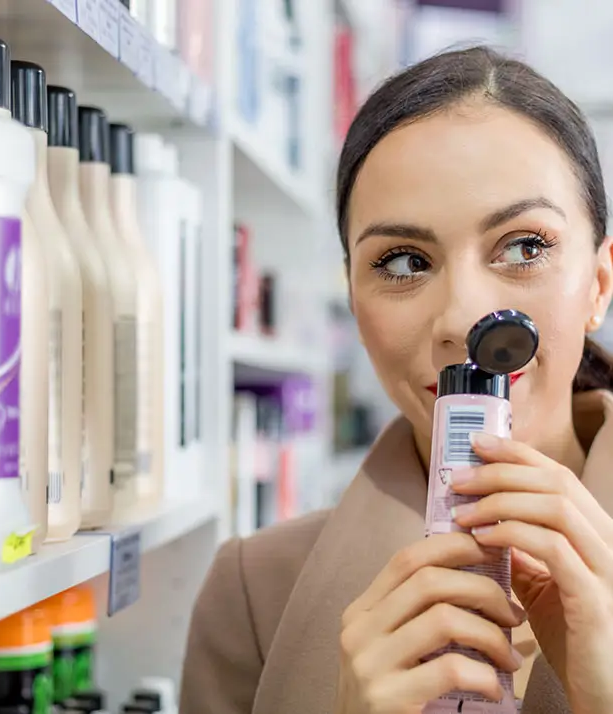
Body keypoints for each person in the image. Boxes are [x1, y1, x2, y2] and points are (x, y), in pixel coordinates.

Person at [180, 46, 613, 714]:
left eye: (525, 247)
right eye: (405, 261)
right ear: (354, 304)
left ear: (599, 284)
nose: (463, 318)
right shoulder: (253, 592)